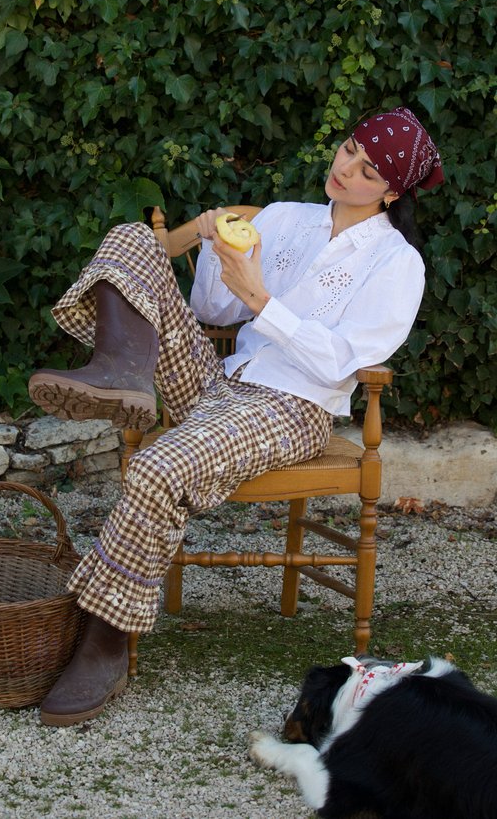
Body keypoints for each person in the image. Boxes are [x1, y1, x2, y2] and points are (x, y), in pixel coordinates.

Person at [28, 106, 443, 727]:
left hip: (292, 407)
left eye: (368, 168)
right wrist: (211, 247)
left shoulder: (396, 265)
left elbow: (340, 363)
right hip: (219, 381)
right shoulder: (283, 219)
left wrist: (261, 298)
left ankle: (104, 641)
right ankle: (119, 369)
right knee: (132, 237)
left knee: (158, 466)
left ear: (391, 191)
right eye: (349, 148)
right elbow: (211, 309)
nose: (346, 167)